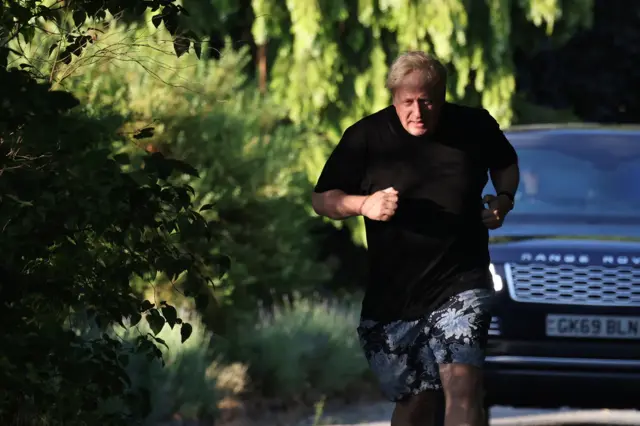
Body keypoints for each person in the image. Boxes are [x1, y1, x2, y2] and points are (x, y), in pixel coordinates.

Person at [311, 51, 519, 426]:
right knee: (417, 403)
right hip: (394, 297)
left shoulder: (474, 126)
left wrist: (504, 201)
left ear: (443, 95)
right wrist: (363, 204)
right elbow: (321, 200)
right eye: (408, 102)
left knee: (462, 384)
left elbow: (505, 165)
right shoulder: (365, 138)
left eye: (428, 101)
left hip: (462, 282)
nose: (418, 112)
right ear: (393, 97)